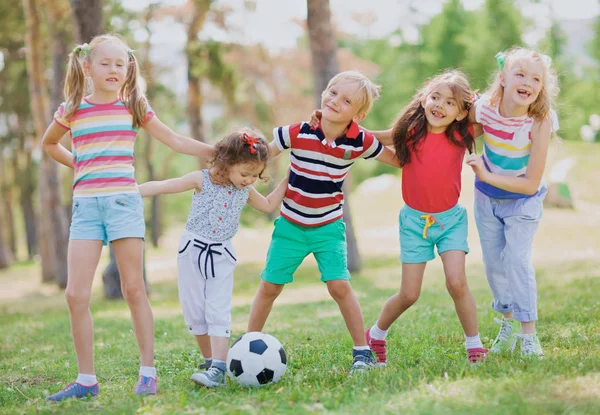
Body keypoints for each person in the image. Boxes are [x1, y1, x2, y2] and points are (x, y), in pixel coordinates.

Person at [41, 34, 213, 400]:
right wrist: (80, 164)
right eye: (105, 63)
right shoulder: (72, 108)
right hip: (86, 208)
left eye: (121, 64)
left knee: (134, 288)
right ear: (88, 67)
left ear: (128, 68)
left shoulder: (133, 105)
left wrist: (219, 152)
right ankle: (86, 380)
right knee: (75, 294)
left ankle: (147, 372)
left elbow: (175, 140)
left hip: (123, 204)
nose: (114, 70)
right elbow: (49, 143)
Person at [247, 70, 401, 373]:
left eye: (347, 100)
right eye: (332, 92)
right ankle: (248, 342)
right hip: (290, 227)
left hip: (328, 229)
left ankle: (362, 352)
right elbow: (262, 152)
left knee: (339, 286)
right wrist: (234, 158)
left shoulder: (360, 141)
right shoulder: (297, 132)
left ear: (359, 113)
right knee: (269, 287)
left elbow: (396, 159)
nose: (336, 101)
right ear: (323, 92)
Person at [138, 129, 289, 387]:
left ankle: (219, 367)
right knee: (195, 312)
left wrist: (291, 176)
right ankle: (210, 361)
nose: (249, 180)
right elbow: (164, 186)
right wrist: (130, 190)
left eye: (255, 175)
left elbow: (267, 205)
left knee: (218, 310)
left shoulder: (246, 190)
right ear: (228, 163)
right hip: (191, 251)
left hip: (221, 254)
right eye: (245, 173)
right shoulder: (202, 179)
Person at [357, 70, 488, 366]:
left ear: (460, 112)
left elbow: (490, 118)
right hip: (414, 223)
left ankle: (474, 344)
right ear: (425, 97)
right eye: (436, 97)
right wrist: (356, 135)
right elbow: (387, 137)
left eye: (450, 103)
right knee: (409, 294)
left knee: (457, 282)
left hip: (450, 221)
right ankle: (376, 334)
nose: (440, 105)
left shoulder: (460, 134)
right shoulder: (412, 132)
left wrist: (478, 104)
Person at [466, 48, 559, 357]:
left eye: (536, 78)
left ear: (541, 87)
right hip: (487, 200)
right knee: (494, 264)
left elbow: (531, 182)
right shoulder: (484, 109)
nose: (527, 82)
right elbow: (458, 122)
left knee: (516, 261)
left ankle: (528, 336)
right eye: (520, 74)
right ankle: (507, 323)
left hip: (524, 201)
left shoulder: (540, 122)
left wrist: (484, 173)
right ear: (503, 77)